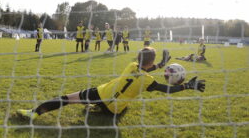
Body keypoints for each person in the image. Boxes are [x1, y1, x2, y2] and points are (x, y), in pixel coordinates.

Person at [17, 48, 205, 119]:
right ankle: (97, 109)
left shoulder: (131, 65)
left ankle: (34, 113)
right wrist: (187, 86)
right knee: (124, 106)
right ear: (150, 63)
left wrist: (160, 64)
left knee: (66, 99)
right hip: (113, 110)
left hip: (99, 94)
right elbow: (168, 90)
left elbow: (144, 68)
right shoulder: (149, 82)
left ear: (138, 58)